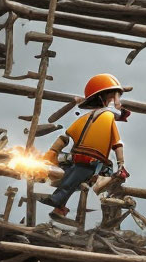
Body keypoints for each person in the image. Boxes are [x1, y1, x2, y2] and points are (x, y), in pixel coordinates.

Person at [45, 73, 130, 223]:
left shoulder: (91, 118)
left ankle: (58, 201)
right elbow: (117, 144)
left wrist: (121, 165)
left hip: (93, 164)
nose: (118, 103)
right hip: (86, 161)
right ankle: (59, 206)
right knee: (71, 178)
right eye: (114, 97)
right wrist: (52, 153)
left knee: (73, 179)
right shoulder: (96, 118)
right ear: (105, 99)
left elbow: (65, 138)